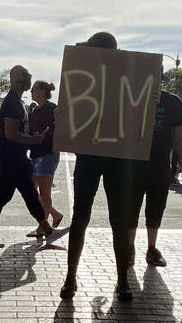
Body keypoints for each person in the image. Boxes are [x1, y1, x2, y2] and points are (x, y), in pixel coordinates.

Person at [60, 31, 158, 302]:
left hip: (114, 156)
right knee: (83, 217)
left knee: (116, 220)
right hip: (96, 155)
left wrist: (151, 100)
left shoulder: (127, 78)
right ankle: (74, 276)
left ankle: (119, 279)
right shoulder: (85, 77)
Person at [0, 64, 52, 247]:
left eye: (28, 76)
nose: (27, 79)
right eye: (24, 76)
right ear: (14, 80)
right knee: (3, 195)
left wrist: (33, 138)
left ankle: (47, 229)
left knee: (29, 193)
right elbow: (11, 133)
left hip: (19, 158)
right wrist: (33, 140)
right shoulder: (12, 102)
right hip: (11, 158)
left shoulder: (19, 101)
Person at [128, 84, 182, 268]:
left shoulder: (171, 101)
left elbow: (179, 133)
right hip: (133, 164)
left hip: (160, 163)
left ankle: (151, 247)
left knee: (156, 206)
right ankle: (129, 247)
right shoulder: (132, 96)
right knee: (131, 207)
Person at [28, 79, 63, 229]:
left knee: (44, 192)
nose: (31, 92)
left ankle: (43, 227)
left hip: (47, 154)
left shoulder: (53, 108)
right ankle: (55, 215)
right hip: (35, 154)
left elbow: (62, 128)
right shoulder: (35, 110)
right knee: (29, 189)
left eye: (34, 89)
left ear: (42, 91)